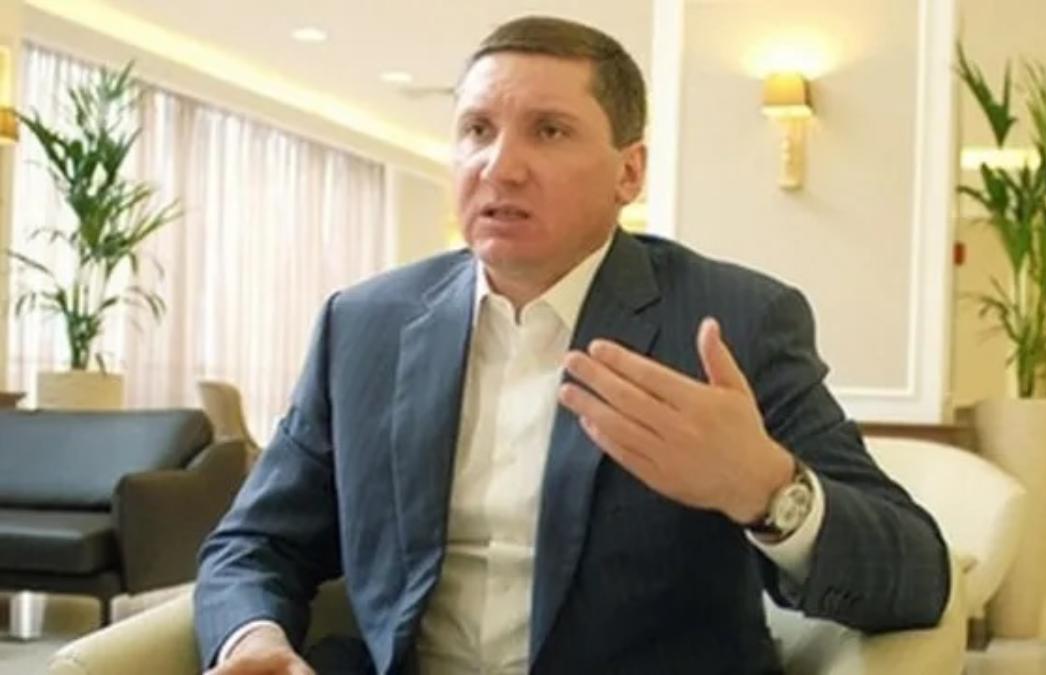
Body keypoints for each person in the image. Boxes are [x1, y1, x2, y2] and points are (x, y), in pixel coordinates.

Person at [195, 15, 950, 675]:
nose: (500, 166)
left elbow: (917, 573)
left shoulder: (734, 320)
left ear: (630, 171)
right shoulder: (365, 324)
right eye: (476, 130)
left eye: (549, 131)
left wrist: (766, 489)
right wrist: (254, 638)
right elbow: (255, 542)